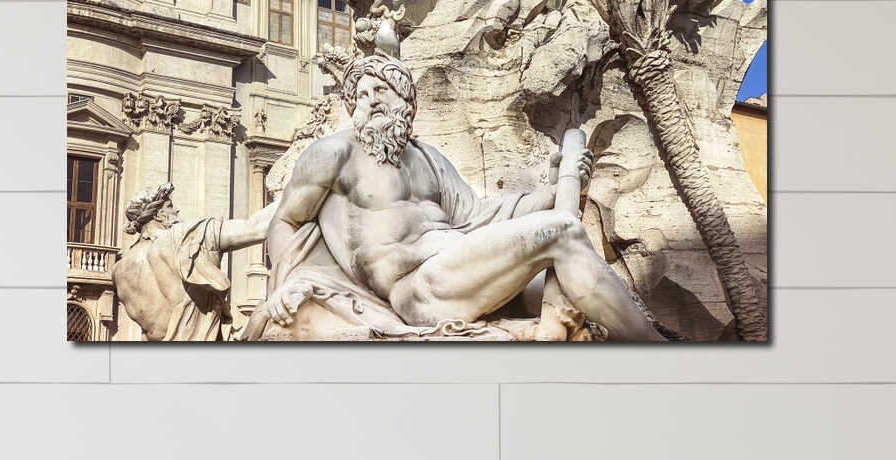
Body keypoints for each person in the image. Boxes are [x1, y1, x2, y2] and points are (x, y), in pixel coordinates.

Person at [247, 55, 659, 341]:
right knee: (565, 232)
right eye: (359, 94)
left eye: (379, 90)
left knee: (585, 291)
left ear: (404, 100)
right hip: (417, 289)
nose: (368, 100)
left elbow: (481, 217)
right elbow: (286, 222)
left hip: (459, 271)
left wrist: (554, 188)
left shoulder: (429, 157)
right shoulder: (333, 153)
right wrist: (292, 281)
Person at [112, 183, 273, 342]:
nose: (176, 210)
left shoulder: (119, 269)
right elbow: (257, 228)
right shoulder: (182, 239)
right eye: (170, 206)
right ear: (158, 215)